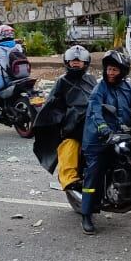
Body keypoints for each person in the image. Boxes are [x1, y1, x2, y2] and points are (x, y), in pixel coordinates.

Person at [80, 49, 131, 234]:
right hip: (98, 139)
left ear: (122, 71)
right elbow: (95, 112)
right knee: (95, 172)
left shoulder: (128, 88)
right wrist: (103, 129)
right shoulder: (99, 89)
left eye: (114, 70)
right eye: (108, 69)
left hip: (120, 135)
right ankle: (86, 214)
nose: (110, 73)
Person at [32, 45, 96, 190]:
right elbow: (52, 105)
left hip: (93, 121)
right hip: (73, 125)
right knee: (70, 143)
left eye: (79, 61)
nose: (76, 63)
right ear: (67, 62)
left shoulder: (91, 79)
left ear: (85, 63)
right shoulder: (62, 81)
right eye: (73, 61)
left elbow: (99, 97)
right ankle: (69, 179)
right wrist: (66, 119)